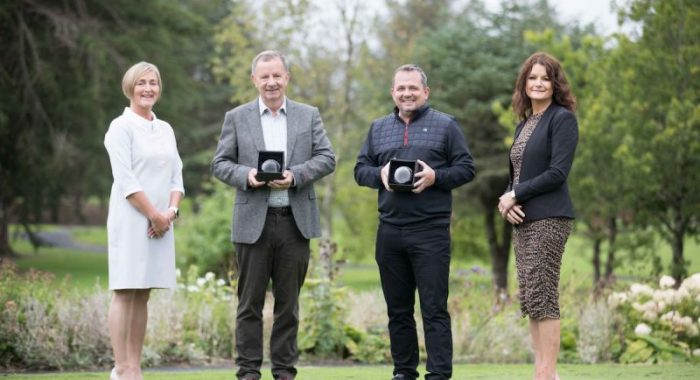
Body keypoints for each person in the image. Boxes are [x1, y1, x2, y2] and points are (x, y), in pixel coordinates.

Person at [211, 50, 335, 380]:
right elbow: (220, 164)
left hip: (295, 222)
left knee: (288, 308)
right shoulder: (236, 117)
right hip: (254, 222)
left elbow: (327, 158)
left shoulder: (308, 116)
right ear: (254, 80)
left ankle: (284, 373)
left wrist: (295, 175)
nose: (271, 82)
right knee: (248, 305)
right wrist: (247, 176)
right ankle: (248, 373)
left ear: (287, 78)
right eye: (264, 76)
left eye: (277, 75)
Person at [354, 64, 475, 380]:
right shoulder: (378, 128)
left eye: (413, 88)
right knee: (398, 311)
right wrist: (379, 175)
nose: (407, 93)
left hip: (430, 232)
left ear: (425, 92)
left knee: (434, 309)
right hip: (390, 231)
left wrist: (436, 177)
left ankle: (438, 374)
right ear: (393, 92)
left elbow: (466, 168)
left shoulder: (446, 125)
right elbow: (360, 170)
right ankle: (404, 372)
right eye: (401, 88)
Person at [497, 52, 578, 380]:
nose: (539, 83)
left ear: (554, 83)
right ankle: (543, 373)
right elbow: (517, 174)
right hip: (524, 220)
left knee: (544, 295)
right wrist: (507, 200)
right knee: (531, 298)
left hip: (550, 218)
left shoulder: (562, 119)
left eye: (545, 78)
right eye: (533, 78)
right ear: (524, 84)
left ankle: (547, 374)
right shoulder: (525, 124)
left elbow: (557, 172)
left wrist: (515, 194)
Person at [104, 61, 184, 380]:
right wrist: (154, 214)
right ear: (130, 87)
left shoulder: (164, 129)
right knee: (125, 290)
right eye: (142, 83)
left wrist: (169, 213)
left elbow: (177, 177)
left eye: (153, 82)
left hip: (162, 222)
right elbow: (127, 181)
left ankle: (135, 367)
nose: (148, 88)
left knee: (144, 291)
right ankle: (121, 368)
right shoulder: (119, 128)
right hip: (132, 220)